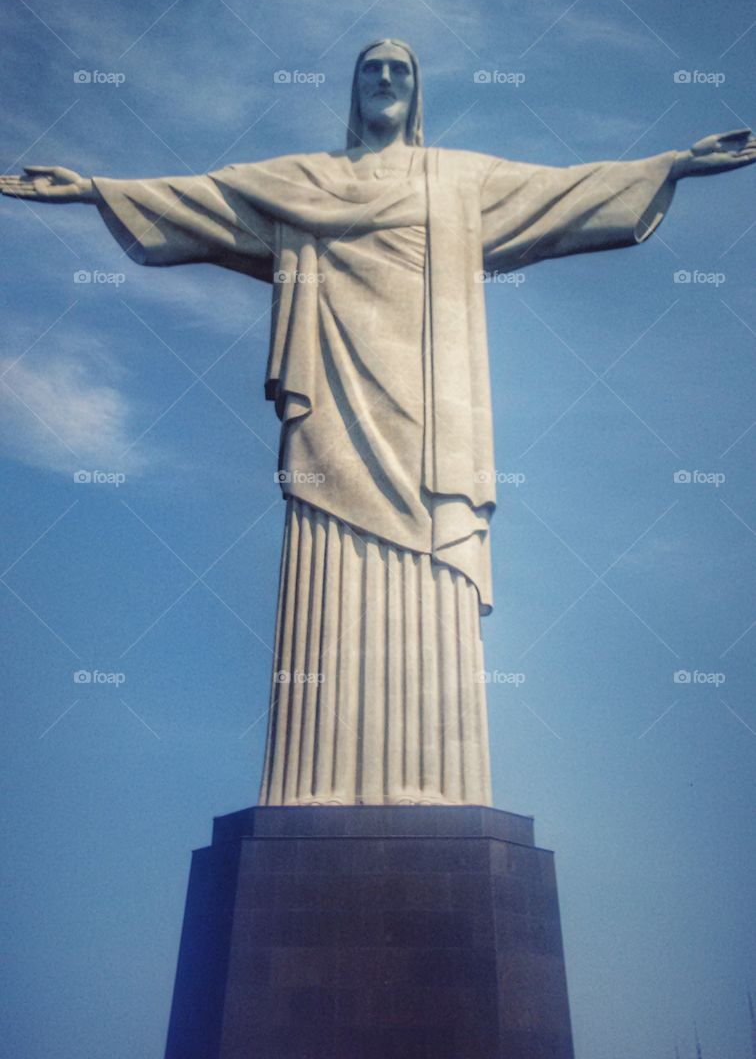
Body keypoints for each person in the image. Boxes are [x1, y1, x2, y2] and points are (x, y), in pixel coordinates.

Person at [2, 39, 754, 807]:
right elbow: (200, 201)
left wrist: (674, 165)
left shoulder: (459, 179)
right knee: (328, 561)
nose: (386, 79)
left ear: (417, 93)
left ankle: (439, 785)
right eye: (372, 69)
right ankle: (310, 785)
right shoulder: (305, 183)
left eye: (400, 70)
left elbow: (565, 193)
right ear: (354, 91)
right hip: (331, 402)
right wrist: (94, 189)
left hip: (432, 416)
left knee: (430, 567)